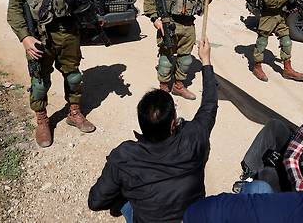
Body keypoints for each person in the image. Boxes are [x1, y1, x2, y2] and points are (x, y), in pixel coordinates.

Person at [88, 38, 217, 223]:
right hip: (192, 218)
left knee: (120, 201)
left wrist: (125, 188)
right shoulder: (193, 137)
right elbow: (210, 104)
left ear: (141, 123)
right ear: (173, 124)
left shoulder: (124, 156)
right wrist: (206, 61)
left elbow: (96, 202)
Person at [6, 0, 95, 148]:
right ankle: (42, 119)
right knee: (39, 81)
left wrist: (90, 18)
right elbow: (15, 5)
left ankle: (74, 113)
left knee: (74, 76)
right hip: (41, 34)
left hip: (69, 31)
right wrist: (25, 38)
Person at [142, 0, 209, 100]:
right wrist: (156, 21)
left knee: (186, 59)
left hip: (188, 25)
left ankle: (179, 86)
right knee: (166, 59)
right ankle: (164, 89)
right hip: (169, 23)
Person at [250, 0, 303, 82]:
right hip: (269, 15)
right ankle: (257, 67)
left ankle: (287, 69)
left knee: (286, 41)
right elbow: (270, 2)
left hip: (280, 14)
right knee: (262, 41)